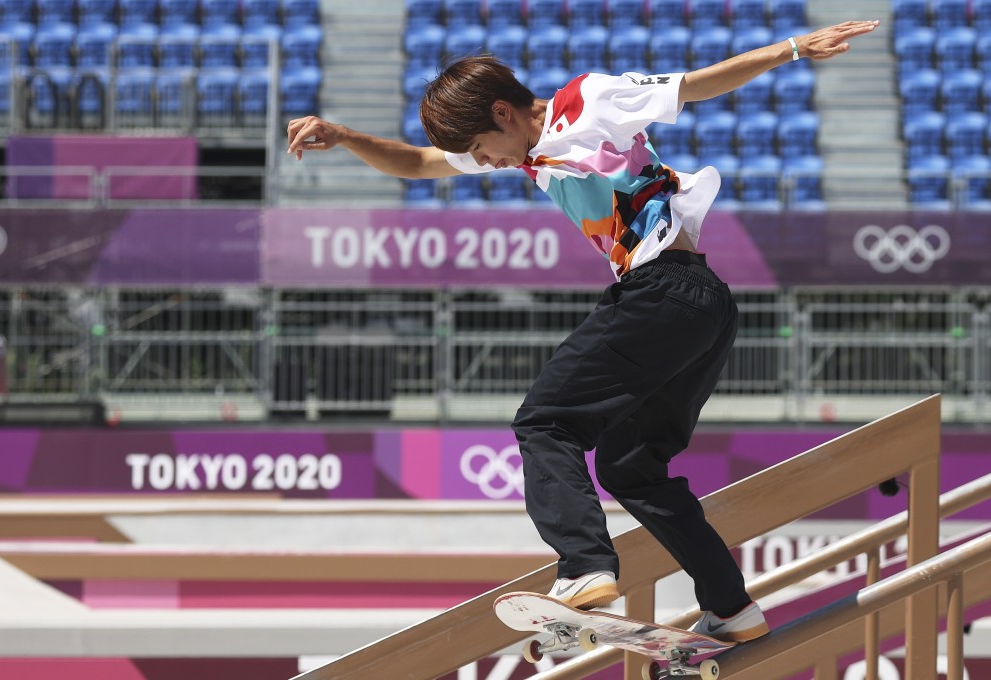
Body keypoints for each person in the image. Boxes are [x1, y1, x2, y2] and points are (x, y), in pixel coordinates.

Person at [287, 19, 880, 642]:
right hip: (703, 308)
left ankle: (585, 566)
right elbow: (416, 162)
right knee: (632, 468)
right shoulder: (524, 147)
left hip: (664, 293)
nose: (486, 164)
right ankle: (733, 608)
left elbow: (696, 85)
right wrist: (343, 134)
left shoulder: (589, 100)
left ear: (504, 112)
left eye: (485, 148)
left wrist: (792, 48)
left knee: (544, 422)